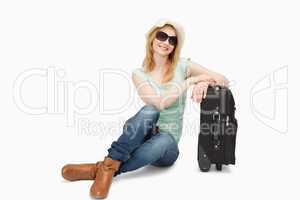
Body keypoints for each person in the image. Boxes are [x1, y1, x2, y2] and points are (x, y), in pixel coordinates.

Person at [61, 19, 229, 199]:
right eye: (162, 36)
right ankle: (108, 166)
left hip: (167, 145)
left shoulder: (183, 65)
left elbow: (223, 79)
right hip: (142, 133)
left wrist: (203, 82)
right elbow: (159, 103)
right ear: (152, 38)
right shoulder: (139, 74)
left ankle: (103, 168)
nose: (166, 42)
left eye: (172, 40)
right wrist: (189, 82)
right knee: (150, 110)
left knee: (163, 139)